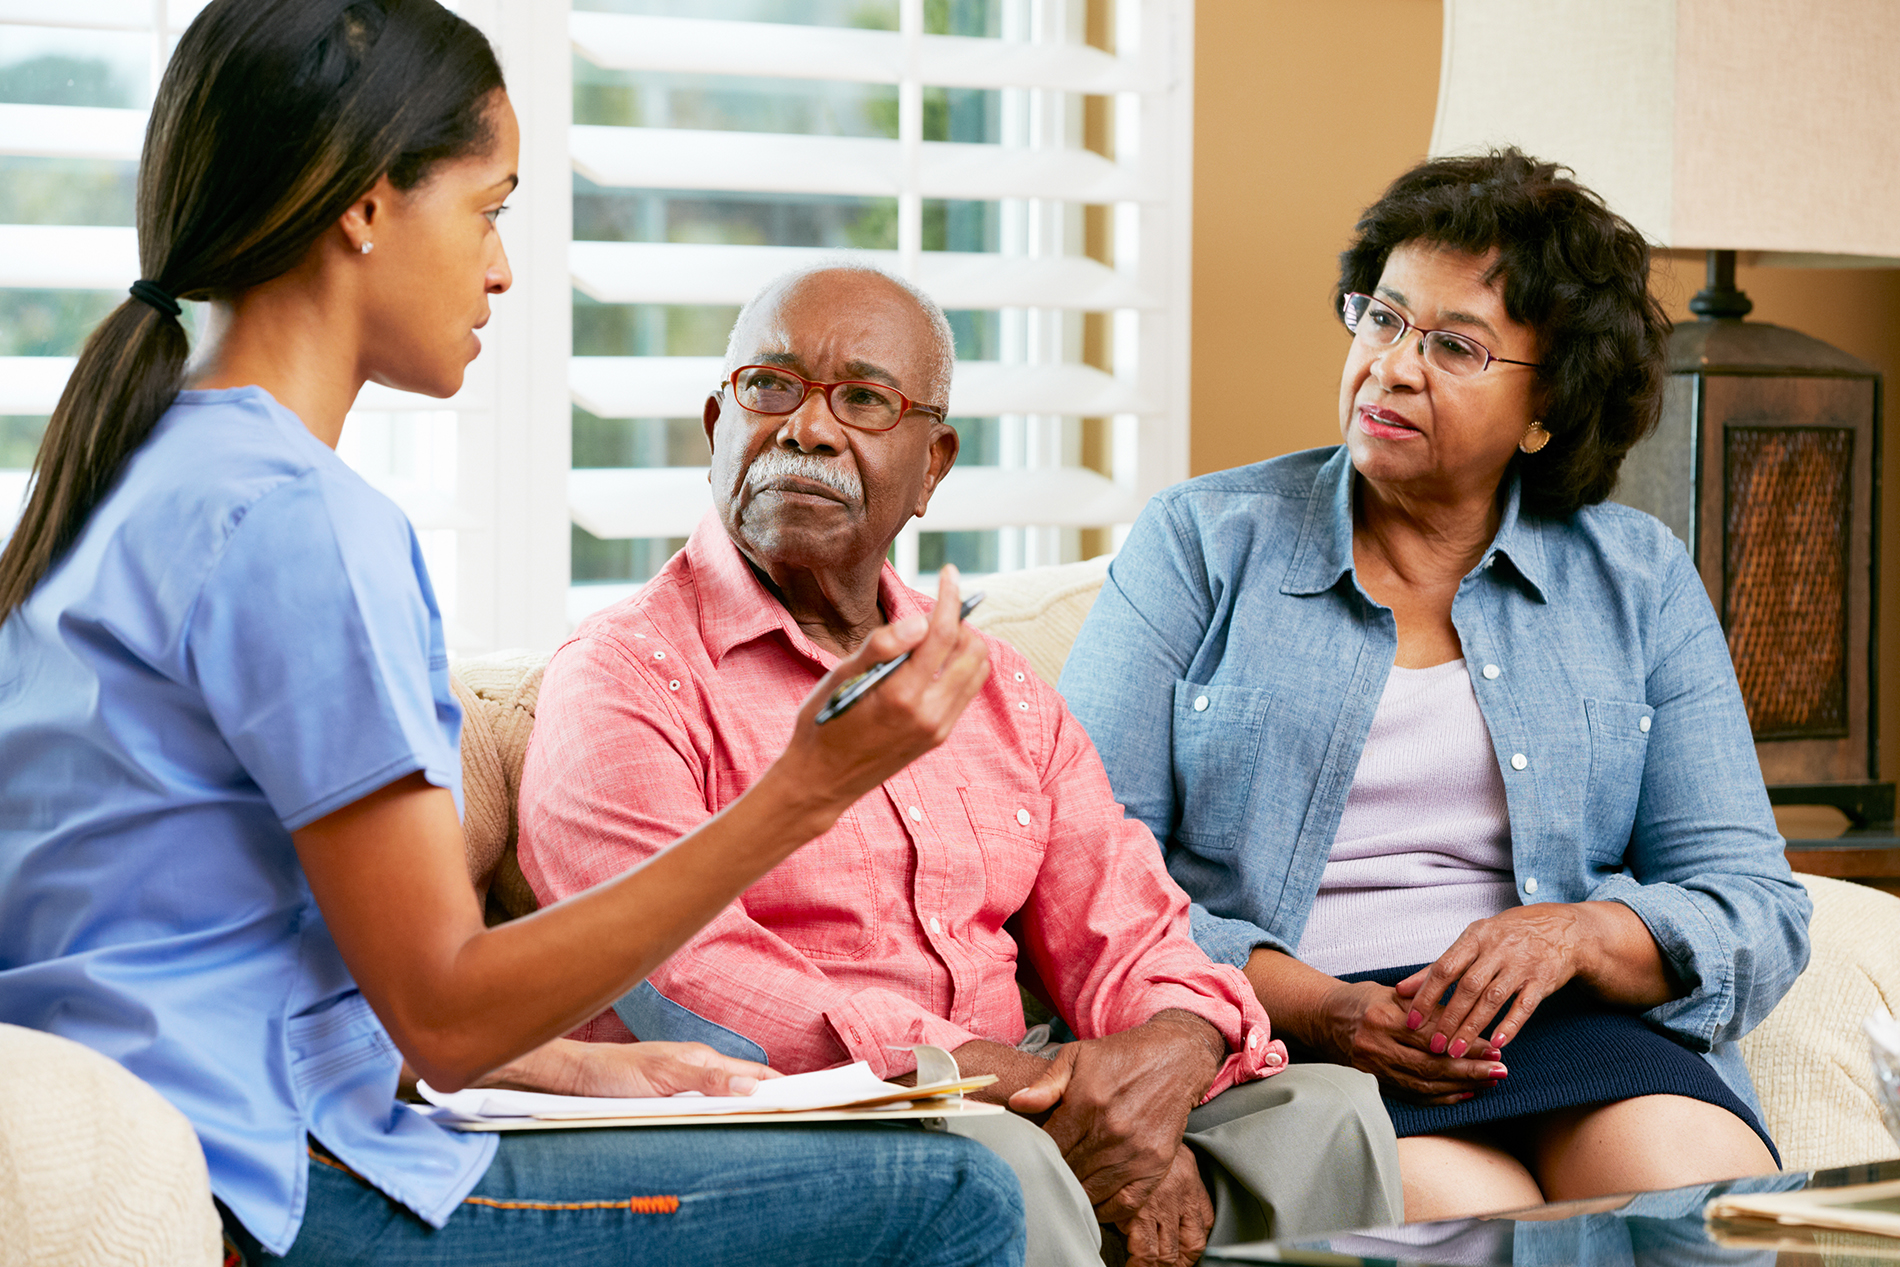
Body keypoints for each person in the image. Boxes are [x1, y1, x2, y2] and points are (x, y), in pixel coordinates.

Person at [0, 3, 1027, 1264]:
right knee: (958, 1198)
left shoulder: (129, 479)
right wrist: (806, 789)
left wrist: (567, 1067)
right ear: (367, 205)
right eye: (490, 208)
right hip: (267, 1182)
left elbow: (214, 946)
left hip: (185, 1125)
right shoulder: (298, 523)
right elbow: (439, 1007)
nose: (500, 267)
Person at [516, 263, 1405, 1267]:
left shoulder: (999, 688)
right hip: (783, 1112)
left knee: (1321, 1112)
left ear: (932, 463)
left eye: (861, 397)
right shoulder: (626, 675)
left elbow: (1127, 918)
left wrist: (1170, 1052)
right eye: (770, 386)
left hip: (1003, 1088)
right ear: (714, 425)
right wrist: (985, 1082)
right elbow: (678, 975)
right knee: (1000, 1163)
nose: (807, 427)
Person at [1058, 149, 1814, 1221]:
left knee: (1694, 1203)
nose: (1390, 367)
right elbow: (1084, 878)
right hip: (1301, 1036)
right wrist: (1324, 1010)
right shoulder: (1201, 542)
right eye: (1380, 318)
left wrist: (1576, 934)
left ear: (1547, 408)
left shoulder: (1636, 577)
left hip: (1564, 1025)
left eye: (1453, 345)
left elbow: (1755, 903)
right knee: (1472, 1224)